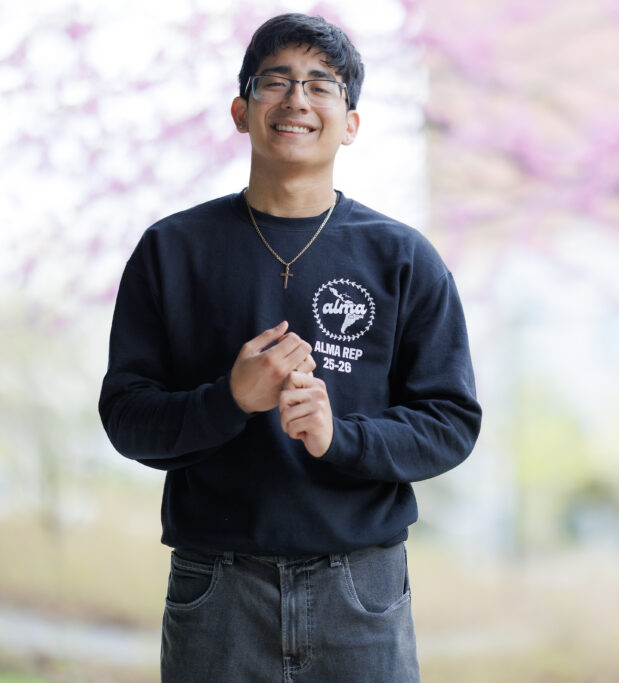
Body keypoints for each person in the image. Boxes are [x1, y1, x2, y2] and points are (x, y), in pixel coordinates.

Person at [98, 13, 481, 682]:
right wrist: (230, 399)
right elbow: (128, 416)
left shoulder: (403, 258)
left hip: (361, 586)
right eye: (276, 81)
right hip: (215, 586)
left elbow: (451, 421)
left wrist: (342, 436)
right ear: (242, 111)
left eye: (321, 85)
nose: (297, 99)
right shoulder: (173, 251)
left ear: (351, 123)